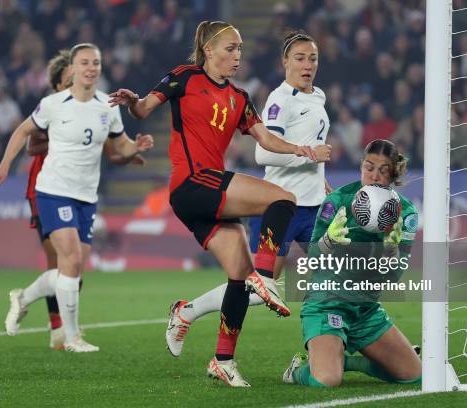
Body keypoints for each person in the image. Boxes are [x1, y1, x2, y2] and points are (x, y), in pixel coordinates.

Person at [109, 21, 330, 386]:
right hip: (192, 183)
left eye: (240, 48)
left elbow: (265, 139)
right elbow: (144, 110)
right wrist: (133, 102)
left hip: (208, 194)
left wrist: (299, 149)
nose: (237, 55)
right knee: (283, 198)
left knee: (238, 279)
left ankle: (221, 359)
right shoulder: (185, 77)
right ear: (208, 50)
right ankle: (266, 277)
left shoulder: (240, 98)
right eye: (230, 48)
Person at [163, 30, 333, 358]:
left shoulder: (319, 97)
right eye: (299, 58)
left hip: (313, 205)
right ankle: (188, 312)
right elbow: (264, 155)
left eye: (312, 58)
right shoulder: (280, 101)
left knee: (333, 275)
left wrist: (319, 177)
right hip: (282, 207)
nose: (307, 64)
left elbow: (307, 145)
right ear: (285, 62)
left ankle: (350, 345)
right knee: (252, 287)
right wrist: (310, 153)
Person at [0, 43, 154, 353]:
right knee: (72, 261)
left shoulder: (108, 106)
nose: (91, 67)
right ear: (73, 70)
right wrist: (3, 165)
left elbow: (121, 147)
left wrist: (138, 146)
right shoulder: (53, 104)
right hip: (52, 190)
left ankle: (23, 298)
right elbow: (23, 132)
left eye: (95, 62)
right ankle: (72, 337)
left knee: (72, 271)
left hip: (85, 197)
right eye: (84, 63)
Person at [283, 139, 422, 387]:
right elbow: (313, 258)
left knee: (416, 376)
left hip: (366, 311)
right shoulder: (337, 200)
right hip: (327, 305)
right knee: (326, 380)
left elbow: (392, 279)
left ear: (393, 173)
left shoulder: (406, 213)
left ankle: (346, 361)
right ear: (361, 166)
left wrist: (392, 254)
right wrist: (328, 241)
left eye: (383, 170)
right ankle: (297, 371)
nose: (375, 176)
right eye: (369, 167)